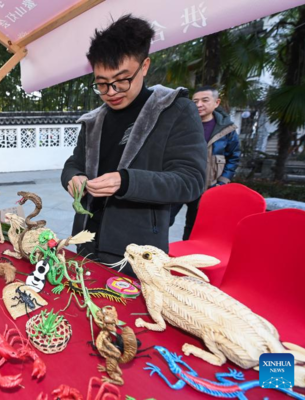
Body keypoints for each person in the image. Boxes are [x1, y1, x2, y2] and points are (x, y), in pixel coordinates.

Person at [61, 15, 207, 277]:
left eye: (122, 79)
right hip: (84, 240)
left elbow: (191, 181)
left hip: (137, 250)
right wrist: (73, 178)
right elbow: (74, 163)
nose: (112, 91)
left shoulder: (175, 111)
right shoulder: (95, 121)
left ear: (145, 65)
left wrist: (126, 182)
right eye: (102, 83)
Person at [170, 86, 241, 240]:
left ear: (217, 102)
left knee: (194, 227)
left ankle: (186, 260)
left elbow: (234, 157)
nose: (199, 104)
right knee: (163, 220)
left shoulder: (227, 130)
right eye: (195, 101)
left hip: (207, 187)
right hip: (180, 183)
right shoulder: (181, 124)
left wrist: (221, 183)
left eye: (204, 100)